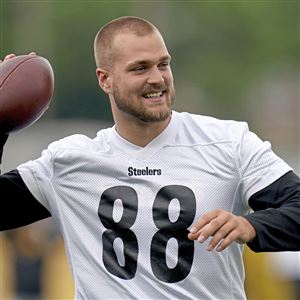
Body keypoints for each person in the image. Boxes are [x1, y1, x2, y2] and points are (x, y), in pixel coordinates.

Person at [0, 16, 299, 300]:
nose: (157, 79)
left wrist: (252, 225)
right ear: (105, 79)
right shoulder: (69, 163)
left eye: (163, 64)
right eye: (140, 68)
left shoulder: (229, 144)